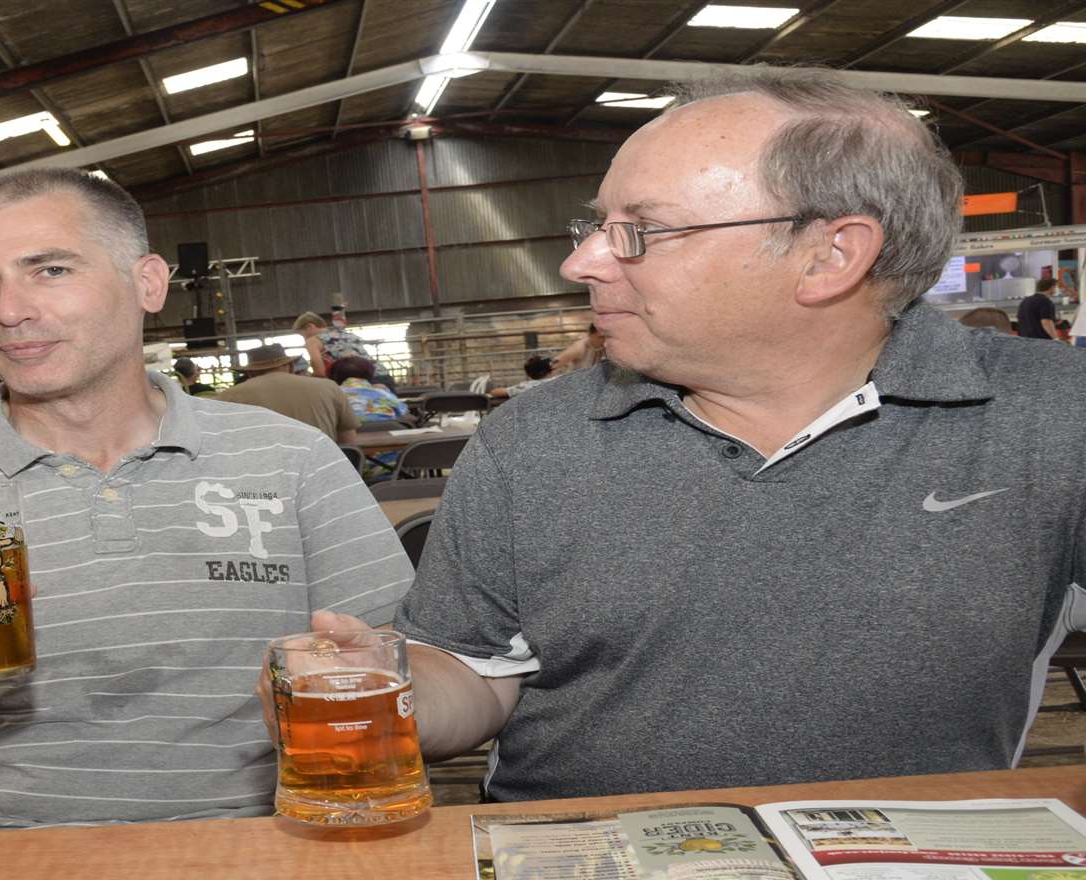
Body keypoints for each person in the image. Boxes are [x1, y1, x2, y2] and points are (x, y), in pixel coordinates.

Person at [382, 66, 1086, 805]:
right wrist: (382, 692)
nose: (581, 262)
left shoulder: (1050, 414)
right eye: (597, 226)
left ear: (830, 255)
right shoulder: (535, 436)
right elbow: (472, 672)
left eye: (642, 231)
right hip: (589, 878)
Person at [0, 168, 411, 833]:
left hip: (265, 839)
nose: (8, 310)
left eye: (49, 270)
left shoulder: (293, 458)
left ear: (148, 283)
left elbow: (411, 671)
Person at [211, 343, 358, 445]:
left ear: (249, 372)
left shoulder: (227, 397)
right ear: (290, 366)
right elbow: (349, 440)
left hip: (264, 477)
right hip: (321, 473)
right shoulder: (328, 386)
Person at [327, 354, 408, 424]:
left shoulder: (333, 394)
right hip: (386, 429)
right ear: (370, 374)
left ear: (335, 376)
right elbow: (403, 410)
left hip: (348, 436)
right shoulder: (381, 392)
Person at [291, 311, 373, 378]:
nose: (304, 338)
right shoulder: (346, 334)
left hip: (355, 381)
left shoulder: (313, 340)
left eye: (303, 335)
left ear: (310, 326)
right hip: (378, 375)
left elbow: (320, 373)